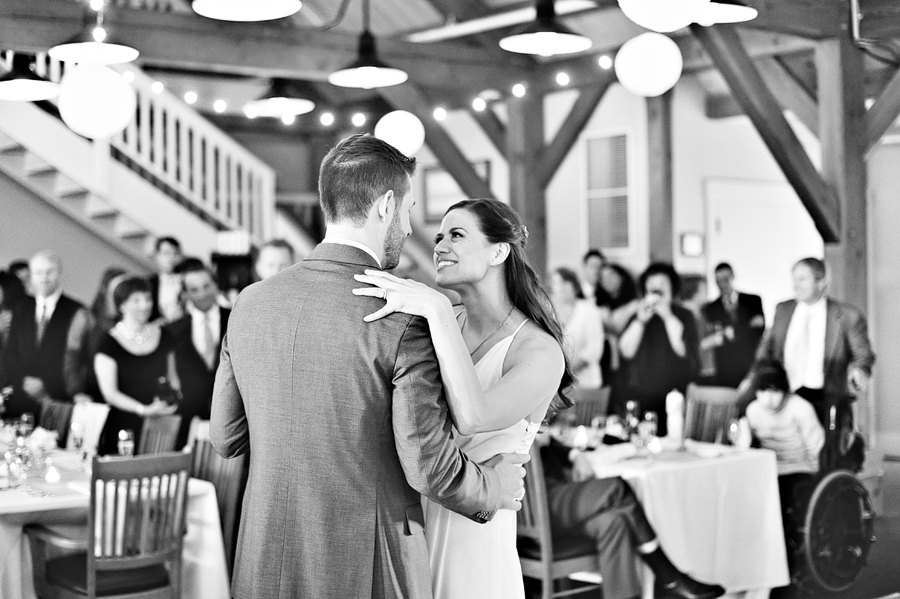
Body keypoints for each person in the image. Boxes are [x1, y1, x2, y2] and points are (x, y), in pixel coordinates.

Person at [211, 133, 528, 599]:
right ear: (384, 206)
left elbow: (225, 437)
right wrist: (493, 489)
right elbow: (429, 467)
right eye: (407, 208)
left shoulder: (250, 303)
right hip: (369, 564)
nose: (408, 223)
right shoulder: (399, 317)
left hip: (264, 558)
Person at [354, 197, 572, 599]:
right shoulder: (437, 320)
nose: (439, 246)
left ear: (499, 250)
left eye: (456, 235)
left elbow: (474, 417)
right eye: (438, 237)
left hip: (476, 532)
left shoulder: (537, 351)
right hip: (410, 522)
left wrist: (435, 309)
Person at [537, 431, 726, 599]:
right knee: (616, 488)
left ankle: (662, 583)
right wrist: (536, 439)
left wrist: (575, 453)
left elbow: (548, 437)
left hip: (554, 496)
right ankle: (668, 576)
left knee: (615, 522)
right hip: (540, 504)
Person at [746, 258, 875, 429]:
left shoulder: (848, 315)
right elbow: (766, 349)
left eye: (802, 279)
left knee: (827, 451)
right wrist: (757, 379)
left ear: (821, 282)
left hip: (826, 399)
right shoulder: (782, 310)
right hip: (786, 397)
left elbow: (863, 354)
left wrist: (859, 369)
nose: (795, 285)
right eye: (794, 279)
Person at [743, 359, 824, 581]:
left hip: (800, 468)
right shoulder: (752, 411)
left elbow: (816, 447)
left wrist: (818, 480)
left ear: (784, 389)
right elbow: (747, 446)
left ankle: (783, 563)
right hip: (767, 469)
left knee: (778, 499)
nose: (768, 398)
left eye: (775, 391)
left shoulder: (801, 408)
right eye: (762, 391)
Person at [0, 250, 93, 419]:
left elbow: (77, 358)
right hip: (20, 397)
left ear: (59, 273)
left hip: (57, 398)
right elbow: (10, 353)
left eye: (49, 272)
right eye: (38, 273)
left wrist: (45, 384)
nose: (44, 278)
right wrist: (24, 381)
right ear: (31, 276)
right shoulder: (20, 309)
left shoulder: (76, 311)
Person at [94, 276, 178, 455]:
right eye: (136, 300)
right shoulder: (108, 342)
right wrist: (143, 410)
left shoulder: (164, 334)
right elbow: (110, 393)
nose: (145, 305)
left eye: (148, 299)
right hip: (123, 427)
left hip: (158, 426)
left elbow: (173, 377)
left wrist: (170, 400)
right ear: (122, 306)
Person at [617, 262, 699, 437]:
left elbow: (683, 350)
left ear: (672, 288)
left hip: (674, 395)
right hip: (640, 393)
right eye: (651, 286)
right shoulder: (639, 315)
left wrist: (667, 315)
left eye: (662, 285)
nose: (656, 290)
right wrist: (640, 321)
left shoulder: (684, 315)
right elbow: (626, 351)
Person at [166, 258, 230, 449]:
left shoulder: (236, 318)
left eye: (206, 286)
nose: (202, 294)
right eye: (194, 290)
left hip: (228, 413)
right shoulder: (172, 330)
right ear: (185, 294)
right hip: (188, 418)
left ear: (215, 286)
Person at [701, 263, 765, 387]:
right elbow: (712, 336)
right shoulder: (710, 308)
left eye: (725, 278)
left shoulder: (753, 301)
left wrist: (730, 332)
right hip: (725, 367)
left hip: (750, 362)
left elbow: (758, 331)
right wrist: (746, 327)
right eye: (718, 280)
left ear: (732, 276)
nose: (722, 283)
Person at [550, 266, 605, 392]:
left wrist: (567, 373)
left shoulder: (589, 310)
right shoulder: (549, 311)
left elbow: (594, 350)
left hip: (586, 384)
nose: (560, 288)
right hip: (555, 385)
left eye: (564, 283)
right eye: (556, 284)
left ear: (574, 285)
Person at [148, 236, 184, 323]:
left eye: (175, 253)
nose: (171, 258)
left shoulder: (187, 282)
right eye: (166, 253)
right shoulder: (149, 283)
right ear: (157, 256)